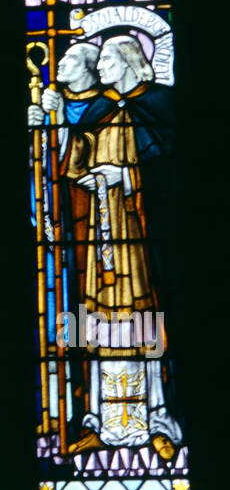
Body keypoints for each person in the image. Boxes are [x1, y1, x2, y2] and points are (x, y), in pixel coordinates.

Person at [64, 34, 180, 459]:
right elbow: (72, 166)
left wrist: (128, 179)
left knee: (147, 319)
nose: (101, 71)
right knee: (97, 321)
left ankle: (158, 419)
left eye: (108, 63)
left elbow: (179, 176)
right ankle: (97, 420)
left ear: (131, 62)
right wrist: (90, 178)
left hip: (143, 243)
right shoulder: (98, 111)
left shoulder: (163, 107)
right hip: (101, 237)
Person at [28, 42, 100, 438]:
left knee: (89, 320)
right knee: (56, 322)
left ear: (89, 69)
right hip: (55, 235)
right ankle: (55, 413)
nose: (61, 65)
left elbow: (83, 158)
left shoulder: (106, 109)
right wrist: (38, 126)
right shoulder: (56, 104)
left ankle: (89, 410)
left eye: (70, 59)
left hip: (92, 233)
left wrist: (58, 123)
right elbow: (39, 168)